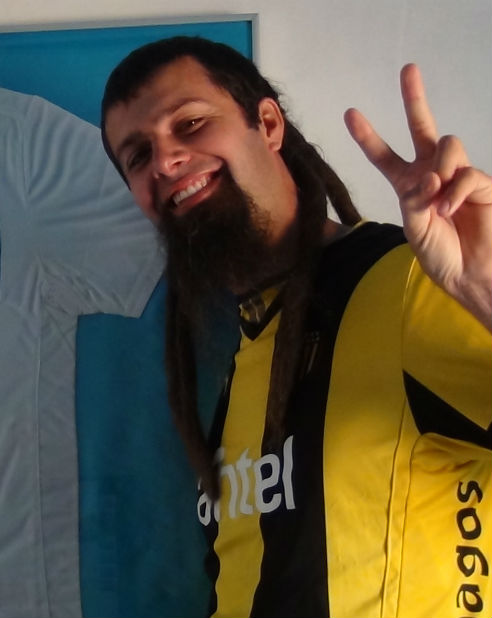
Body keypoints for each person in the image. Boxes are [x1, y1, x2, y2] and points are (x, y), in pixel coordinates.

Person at [99, 36, 492, 617]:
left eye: (191, 123)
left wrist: (484, 291)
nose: (164, 161)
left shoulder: (407, 284)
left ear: (268, 124)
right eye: (137, 155)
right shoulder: (243, 350)